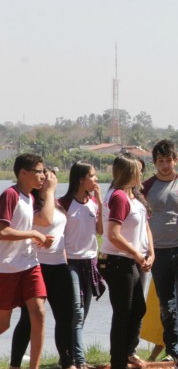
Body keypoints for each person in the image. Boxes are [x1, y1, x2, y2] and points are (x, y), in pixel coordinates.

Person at [141, 139, 178, 367]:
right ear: (155, 162)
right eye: (160, 161)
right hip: (158, 252)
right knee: (167, 304)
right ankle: (173, 350)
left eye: (169, 160)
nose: (165, 165)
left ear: (176, 160)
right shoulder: (146, 187)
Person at [10, 167, 75, 369]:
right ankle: (15, 364)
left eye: (46, 177)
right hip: (37, 265)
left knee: (66, 317)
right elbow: (45, 220)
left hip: (59, 266)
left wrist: (51, 193)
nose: (45, 180)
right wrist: (49, 191)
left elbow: (60, 231)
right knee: (29, 319)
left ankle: (68, 363)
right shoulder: (30, 203)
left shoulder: (54, 202)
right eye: (43, 177)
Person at [0, 153, 57, 369]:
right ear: (23, 173)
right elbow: (2, 231)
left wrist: (39, 240)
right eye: (39, 171)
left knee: (39, 313)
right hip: (6, 268)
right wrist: (33, 234)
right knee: (3, 323)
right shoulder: (10, 195)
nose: (43, 176)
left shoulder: (30, 197)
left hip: (29, 265)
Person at [99, 153, 155, 369]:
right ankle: (118, 361)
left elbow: (145, 226)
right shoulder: (119, 197)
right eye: (137, 170)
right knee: (124, 312)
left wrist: (150, 252)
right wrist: (137, 254)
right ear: (129, 172)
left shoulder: (133, 196)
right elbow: (113, 234)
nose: (141, 172)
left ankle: (124, 354)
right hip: (119, 261)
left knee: (137, 309)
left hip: (132, 259)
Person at [59, 160, 105, 368]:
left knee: (82, 313)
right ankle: (80, 360)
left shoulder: (93, 203)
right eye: (92, 175)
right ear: (81, 179)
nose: (96, 179)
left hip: (90, 262)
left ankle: (67, 356)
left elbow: (100, 231)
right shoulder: (64, 204)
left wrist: (101, 205)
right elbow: (59, 235)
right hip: (71, 264)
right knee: (76, 312)